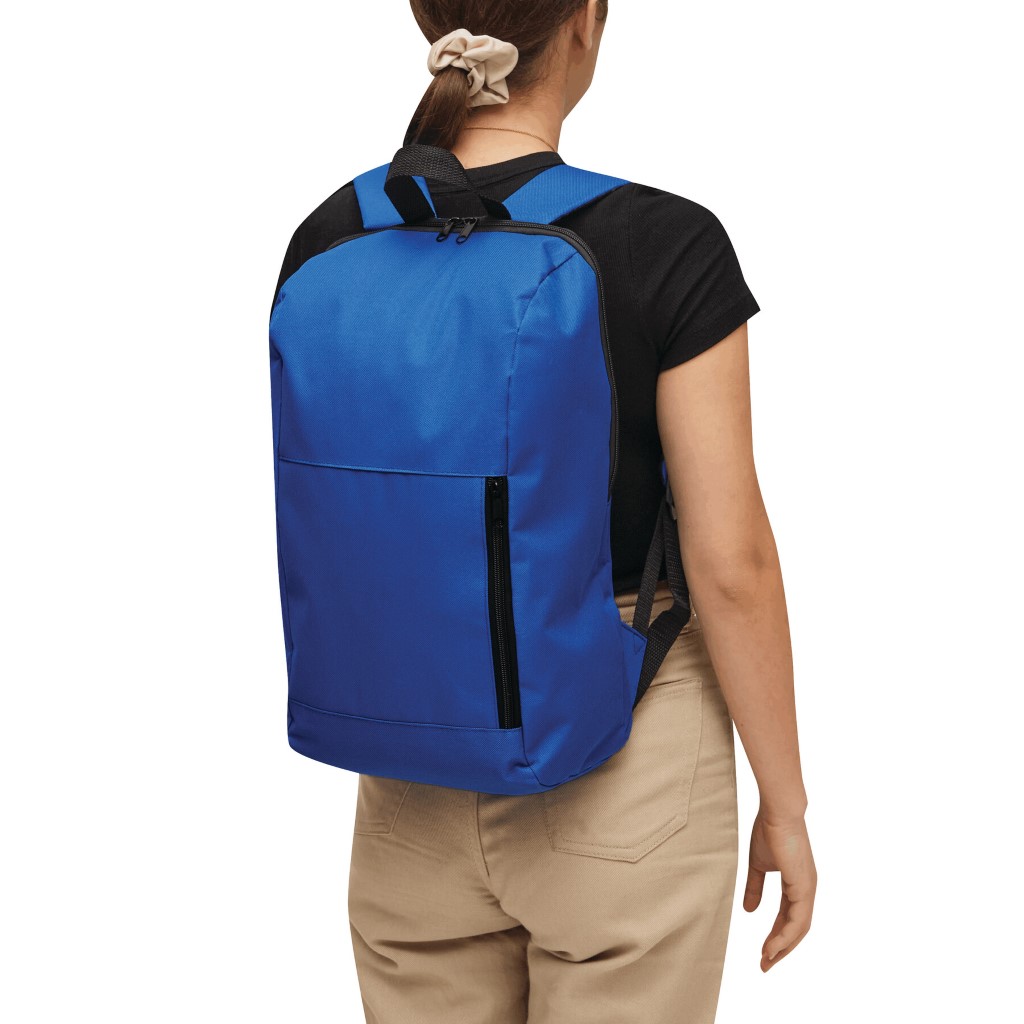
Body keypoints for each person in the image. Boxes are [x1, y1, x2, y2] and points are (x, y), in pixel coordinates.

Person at [271, 2, 816, 1021]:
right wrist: (784, 802)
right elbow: (730, 563)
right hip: (622, 753)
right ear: (585, 22)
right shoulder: (665, 243)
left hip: (409, 766)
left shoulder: (332, 234)